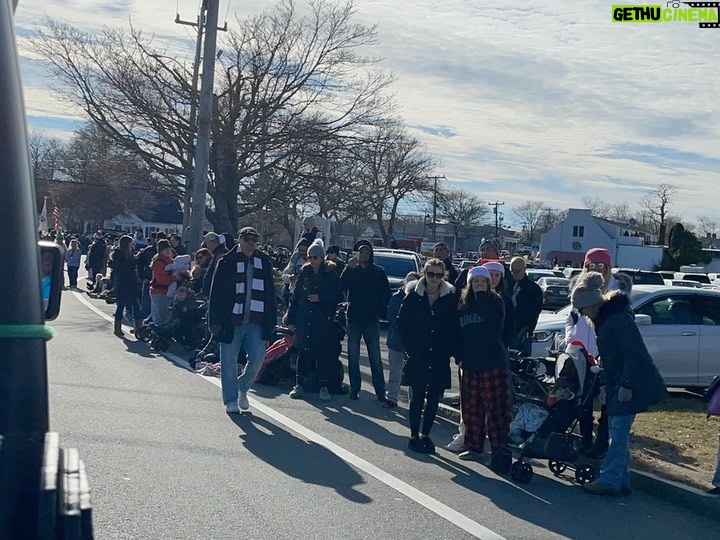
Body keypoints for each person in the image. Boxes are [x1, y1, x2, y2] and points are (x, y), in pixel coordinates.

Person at [575, 272, 667, 496]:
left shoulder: (616, 320)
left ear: (592, 305)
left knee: (617, 433)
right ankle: (621, 479)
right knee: (619, 432)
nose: (582, 313)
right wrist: (606, 385)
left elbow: (634, 354)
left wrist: (625, 385)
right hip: (619, 382)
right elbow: (609, 357)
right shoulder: (607, 319)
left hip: (630, 383)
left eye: (582, 309)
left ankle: (610, 480)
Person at [207, 227, 277, 413]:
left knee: (258, 358)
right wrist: (214, 321)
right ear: (239, 240)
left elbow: (270, 295)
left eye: (255, 240)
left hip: (256, 321)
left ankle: (242, 388)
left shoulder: (264, 262)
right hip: (231, 321)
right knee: (228, 362)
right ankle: (231, 400)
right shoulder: (227, 262)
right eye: (247, 239)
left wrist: (271, 323)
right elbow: (216, 294)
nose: (251, 243)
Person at [397, 258, 458, 453]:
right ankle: (414, 435)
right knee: (416, 398)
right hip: (418, 354)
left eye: (438, 275)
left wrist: (449, 349)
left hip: (439, 356)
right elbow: (402, 324)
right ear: (424, 274)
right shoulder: (413, 297)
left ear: (443, 276)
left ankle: (426, 435)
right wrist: (411, 347)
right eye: (430, 274)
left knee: (433, 399)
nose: (434, 278)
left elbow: (453, 327)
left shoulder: (449, 298)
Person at [455, 265, 510, 461]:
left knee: (496, 409)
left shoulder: (496, 302)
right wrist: (459, 357)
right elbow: (457, 335)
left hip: (492, 363)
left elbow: (495, 326)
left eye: (483, 281)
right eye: (475, 281)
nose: (479, 284)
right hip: (470, 365)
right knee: (472, 409)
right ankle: (474, 446)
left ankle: (499, 449)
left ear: (488, 284)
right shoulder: (462, 305)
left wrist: (482, 299)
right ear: (470, 284)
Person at [286, 239, 344, 402]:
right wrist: (291, 318)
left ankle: (324, 387)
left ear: (322, 258)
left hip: (322, 320)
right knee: (303, 352)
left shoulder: (330, 274)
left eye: (315, 257)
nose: (312, 260)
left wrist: (322, 298)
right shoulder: (304, 274)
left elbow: (338, 297)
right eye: (310, 257)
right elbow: (296, 298)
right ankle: (299, 384)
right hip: (305, 319)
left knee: (322, 354)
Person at [341, 240, 391, 401]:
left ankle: (380, 392)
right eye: (361, 252)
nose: (363, 255)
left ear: (371, 254)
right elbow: (340, 286)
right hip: (354, 318)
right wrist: (347, 268)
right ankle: (355, 388)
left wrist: (381, 312)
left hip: (371, 320)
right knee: (353, 357)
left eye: (367, 252)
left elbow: (386, 295)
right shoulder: (352, 271)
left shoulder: (378, 272)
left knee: (375, 358)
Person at [385, 271, 420, 408]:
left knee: (413, 373)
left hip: (415, 343)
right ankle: (392, 397)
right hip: (396, 341)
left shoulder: (421, 298)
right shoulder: (396, 297)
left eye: (414, 281)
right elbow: (392, 317)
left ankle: (414, 401)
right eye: (409, 280)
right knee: (395, 371)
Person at [509, 257, 543, 356]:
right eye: (512, 271)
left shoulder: (533, 289)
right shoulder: (507, 286)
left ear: (524, 269)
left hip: (523, 332)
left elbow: (536, 310)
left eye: (517, 270)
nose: (515, 273)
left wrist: (528, 328)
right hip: (507, 331)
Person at [110, 235, 141, 337]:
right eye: (130, 243)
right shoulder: (118, 255)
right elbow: (126, 267)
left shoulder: (129, 254)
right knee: (121, 306)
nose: (132, 245)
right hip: (123, 283)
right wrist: (135, 259)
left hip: (131, 283)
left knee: (136, 306)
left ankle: (138, 328)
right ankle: (117, 328)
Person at [149, 239, 176, 327]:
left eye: (169, 249)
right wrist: (175, 278)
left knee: (166, 314)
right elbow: (161, 280)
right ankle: (157, 333)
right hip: (159, 291)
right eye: (165, 249)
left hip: (168, 292)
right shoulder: (159, 262)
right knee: (160, 315)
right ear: (160, 251)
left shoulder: (172, 261)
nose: (168, 251)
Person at [201, 232, 229, 298]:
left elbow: (218, 274)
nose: (206, 246)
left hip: (216, 293)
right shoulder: (217, 253)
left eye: (206, 243)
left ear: (212, 242)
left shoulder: (221, 254)